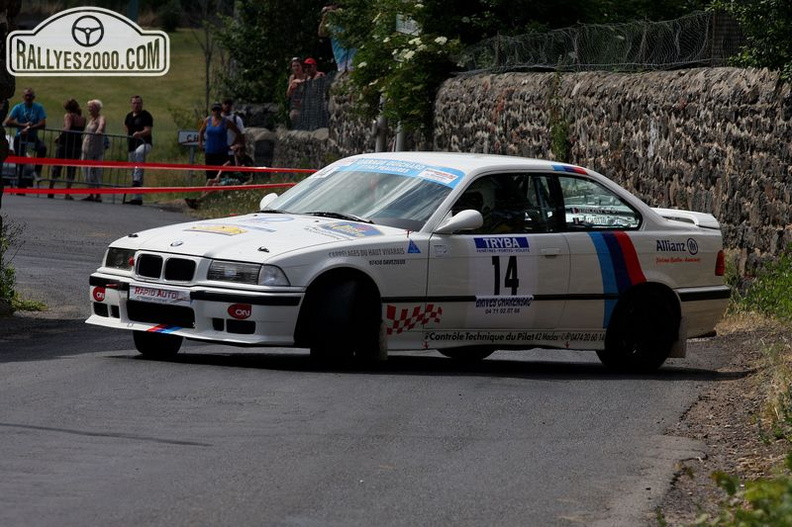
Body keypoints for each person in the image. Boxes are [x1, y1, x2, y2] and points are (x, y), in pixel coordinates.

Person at [3, 87, 47, 189]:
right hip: (21, 136)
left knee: (42, 148)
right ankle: (21, 183)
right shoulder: (18, 107)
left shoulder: (38, 108)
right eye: (26, 96)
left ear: (33, 97)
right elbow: (8, 121)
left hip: (32, 136)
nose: (28, 98)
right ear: (23, 97)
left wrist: (32, 127)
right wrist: (23, 125)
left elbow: (43, 123)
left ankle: (37, 171)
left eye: (30, 96)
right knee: (21, 159)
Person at [185, 149, 255, 209]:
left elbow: (238, 168)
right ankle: (201, 201)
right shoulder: (232, 159)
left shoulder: (247, 160)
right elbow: (224, 166)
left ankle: (198, 200)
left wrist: (236, 157)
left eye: (240, 151)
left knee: (215, 185)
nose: (239, 153)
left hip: (239, 181)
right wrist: (218, 176)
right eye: (237, 151)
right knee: (210, 181)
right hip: (230, 179)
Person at [49, 98, 86, 199]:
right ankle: (67, 192)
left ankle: (51, 189)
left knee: (57, 166)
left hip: (65, 144)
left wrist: (59, 136)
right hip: (76, 145)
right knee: (71, 169)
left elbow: (67, 128)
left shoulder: (68, 116)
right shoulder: (82, 118)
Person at [197, 101, 242, 182]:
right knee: (209, 175)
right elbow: (201, 132)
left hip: (221, 152)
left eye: (218, 110)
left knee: (220, 175)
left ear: (221, 111)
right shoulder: (208, 120)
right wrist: (200, 143)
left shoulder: (226, 122)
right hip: (209, 151)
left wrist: (233, 144)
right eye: (214, 110)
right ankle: (209, 191)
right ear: (212, 111)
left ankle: (219, 191)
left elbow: (238, 132)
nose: (216, 112)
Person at [123, 95, 153, 205]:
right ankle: (136, 197)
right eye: (134, 103)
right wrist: (129, 134)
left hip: (144, 143)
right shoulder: (129, 116)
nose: (136, 105)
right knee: (133, 168)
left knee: (139, 154)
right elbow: (125, 125)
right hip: (132, 145)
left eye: (139, 103)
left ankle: (136, 179)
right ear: (131, 104)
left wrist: (139, 134)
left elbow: (148, 130)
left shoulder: (146, 115)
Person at [81, 99, 107, 202]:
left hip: (95, 150)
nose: (89, 109)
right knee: (86, 172)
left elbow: (102, 124)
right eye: (89, 107)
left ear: (97, 108)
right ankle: (91, 193)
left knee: (95, 172)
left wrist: (100, 129)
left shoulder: (101, 118)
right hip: (86, 149)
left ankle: (98, 194)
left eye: (91, 107)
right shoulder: (91, 119)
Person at [318, 3, 356, 73]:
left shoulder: (342, 14)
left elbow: (347, 17)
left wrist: (332, 11)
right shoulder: (330, 25)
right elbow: (321, 33)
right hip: (340, 58)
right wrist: (324, 19)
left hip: (352, 55)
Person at [286, 57, 306, 125]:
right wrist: (291, 86)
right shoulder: (292, 77)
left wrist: (300, 82)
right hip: (296, 106)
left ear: (301, 66)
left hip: (306, 104)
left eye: (297, 65)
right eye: (294, 66)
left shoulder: (306, 76)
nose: (296, 68)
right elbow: (288, 94)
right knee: (294, 115)